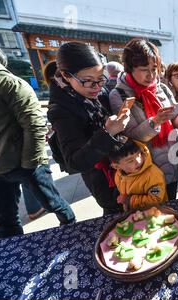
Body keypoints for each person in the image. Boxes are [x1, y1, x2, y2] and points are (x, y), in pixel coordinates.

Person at [0, 46, 76, 238]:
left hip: (26, 164)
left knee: (53, 203)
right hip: (0, 168)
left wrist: (29, 166)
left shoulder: (9, 84)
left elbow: (34, 125)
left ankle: (73, 234)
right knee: (5, 220)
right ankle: (15, 258)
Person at [47, 42, 130, 215]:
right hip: (102, 180)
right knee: (116, 217)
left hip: (123, 168)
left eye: (100, 79)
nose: (97, 87)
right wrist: (109, 133)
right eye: (87, 81)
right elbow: (75, 162)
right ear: (66, 75)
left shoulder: (99, 92)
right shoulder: (61, 110)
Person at [109, 39, 178, 200]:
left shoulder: (162, 88)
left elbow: (174, 121)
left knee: (171, 203)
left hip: (172, 159)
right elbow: (130, 137)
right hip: (145, 167)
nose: (151, 75)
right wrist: (155, 122)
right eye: (144, 69)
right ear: (129, 69)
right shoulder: (119, 95)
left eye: (154, 69)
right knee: (150, 211)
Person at [109, 138, 167, 211]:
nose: (138, 161)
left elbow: (156, 200)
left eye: (139, 155)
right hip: (134, 214)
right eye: (130, 161)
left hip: (154, 213)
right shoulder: (119, 175)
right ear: (116, 166)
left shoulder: (153, 175)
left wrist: (130, 200)